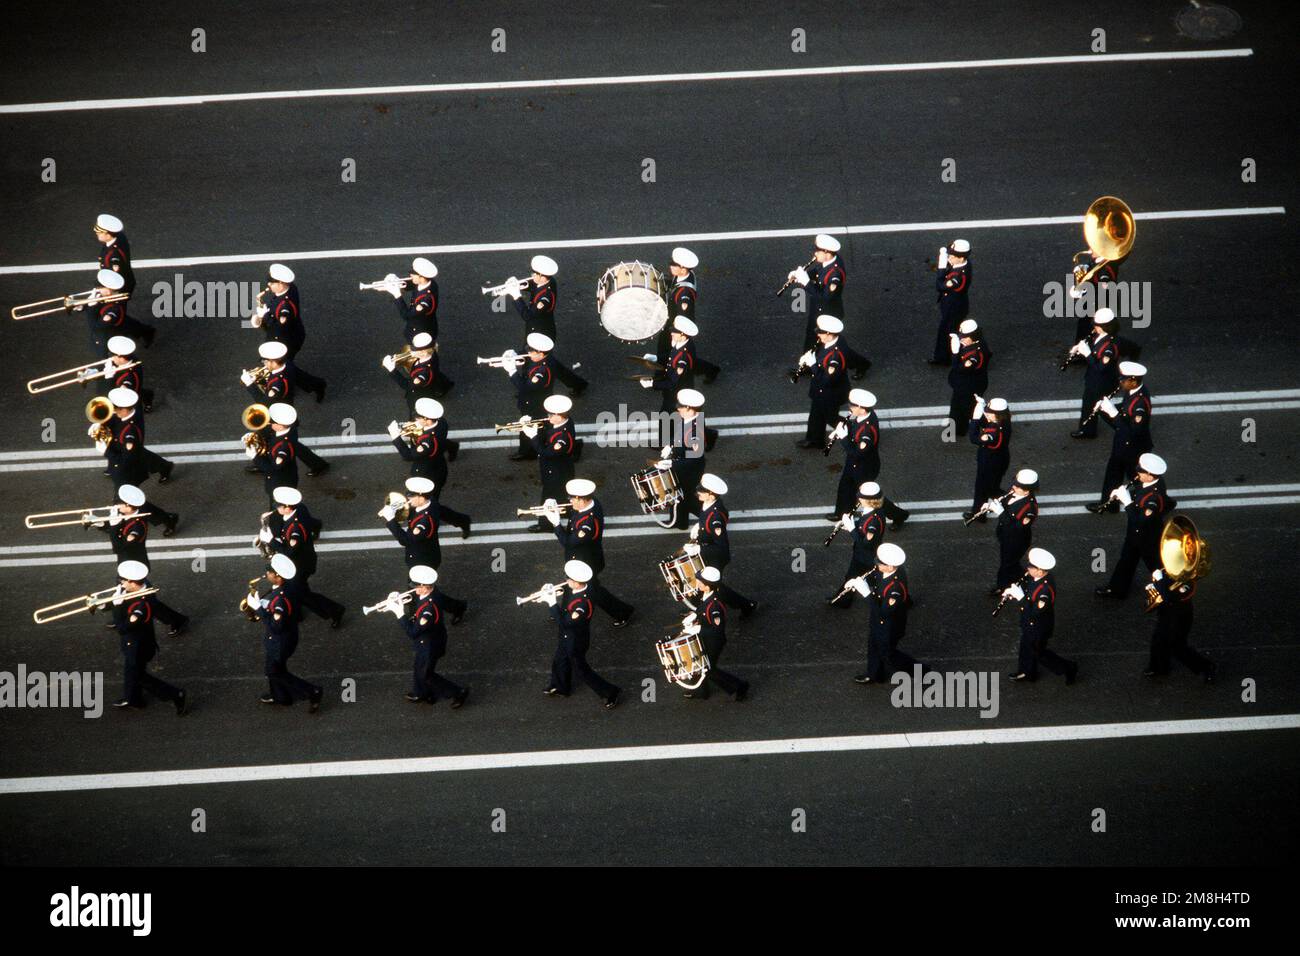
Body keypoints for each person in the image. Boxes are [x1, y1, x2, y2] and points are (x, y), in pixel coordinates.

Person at [542, 478, 635, 626]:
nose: (570, 501)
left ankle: (622, 612)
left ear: (580, 499)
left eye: (571, 498)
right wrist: (555, 506)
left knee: (593, 591)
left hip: (585, 562)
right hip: (583, 558)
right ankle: (565, 611)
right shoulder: (590, 503)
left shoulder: (588, 523)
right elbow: (572, 511)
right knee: (571, 583)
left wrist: (556, 523)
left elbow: (568, 543)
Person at [378, 565, 469, 707]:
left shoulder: (428, 611)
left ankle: (458, 692)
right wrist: (398, 599)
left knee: (426, 674)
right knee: (419, 667)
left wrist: (398, 612)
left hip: (428, 645)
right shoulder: (432, 592)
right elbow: (416, 603)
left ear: (426, 587)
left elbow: (413, 632)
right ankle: (422, 692)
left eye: (416, 586)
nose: (413, 589)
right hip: (431, 640)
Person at [538, 560, 620, 709]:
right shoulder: (575, 589)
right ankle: (560, 686)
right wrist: (552, 592)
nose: (566, 580)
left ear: (577, 582)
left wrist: (551, 602)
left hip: (575, 640)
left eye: (569, 579)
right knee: (560, 659)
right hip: (566, 636)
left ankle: (610, 692)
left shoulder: (583, 604)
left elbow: (565, 622)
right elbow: (566, 599)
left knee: (581, 670)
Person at [246, 553, 323, 711]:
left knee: (274, 671)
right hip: (283, 637)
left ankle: (312, 691)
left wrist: (259, 609)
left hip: (280, 641)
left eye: (270, 573)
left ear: (278, 577)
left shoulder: (280, 599)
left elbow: (276, 626)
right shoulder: (285, 588)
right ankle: (281, 697)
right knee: (274, 668)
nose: (267, 574)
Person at [109, 560, 188, 714]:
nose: (121, 582)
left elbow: (122, 627)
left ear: (132, 583)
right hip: (135, 643)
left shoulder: (141, 606)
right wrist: (106, 604)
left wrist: (116, 607)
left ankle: (175, 694)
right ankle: (133, 698)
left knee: (138, 675)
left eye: (124, 580)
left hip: (139, 646)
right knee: (131, 670)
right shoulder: (138, 588)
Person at [1095, 453, 1175, 600]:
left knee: (1157, 566)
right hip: (1135, 534)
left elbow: (1139, 521)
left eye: (1141, 471)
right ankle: (1116, 590)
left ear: (1150, 476)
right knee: (1126, 560)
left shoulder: (1154, 498)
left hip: (1147, 537)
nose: (1137, 473)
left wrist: (1127, 502)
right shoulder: (1151, 482)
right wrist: (1123, 495)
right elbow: (1140, 495)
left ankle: (1170, 592)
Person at [1002, 548, 1077, 684]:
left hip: (1038, 626)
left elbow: (1035, 611)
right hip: (1029, 623)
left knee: (1039, 653)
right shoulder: (1035, 577)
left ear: (1040, 571)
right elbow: (1028, 591)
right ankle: (1027, 672)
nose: (1028, 567)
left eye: (1031, 566)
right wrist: (1013, 592)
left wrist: (1020, 597)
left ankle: (1068, 667)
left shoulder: (1045, 591)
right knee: (1026, 646)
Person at [1087, 361, 1153, 513]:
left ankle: (1157, 504)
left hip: (1134, 448)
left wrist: (1113, 414)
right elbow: (1124, 415)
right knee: (1113, 475)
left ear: (1133, 381)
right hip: (1123, 444)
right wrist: (1105, 410)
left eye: (1124, 380)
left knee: (1138, 479)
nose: (1120, 382)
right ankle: (1108, 505)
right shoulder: (1132, 391)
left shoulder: (1140, 404)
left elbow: (1133, 431)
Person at [851, 543, 921, 684]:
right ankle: (875, 674)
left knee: (888, 655)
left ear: (890, 567)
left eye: (880, 563)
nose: (877, 564)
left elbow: (884, 613)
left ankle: (923, 673)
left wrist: (866, 592)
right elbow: (876, 579)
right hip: (878, 621)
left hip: (889, 626)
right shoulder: (885, 570)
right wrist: (860, 581)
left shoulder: (895, 589)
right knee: (873, 646)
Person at [681, 567, 749, 701]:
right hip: (707, 638)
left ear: (707, 586)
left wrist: (698, 629)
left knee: (708, 669)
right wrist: (694, 616)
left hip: (714, 641)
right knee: (702, 664)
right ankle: (701, 690)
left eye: (700, 581)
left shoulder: (714, 607)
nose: (697, 583)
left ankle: (739, 686)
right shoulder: (709, 596)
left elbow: (716, 630)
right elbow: (702, 611)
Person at [1145, 569, 1214, 682]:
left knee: (1177, 646)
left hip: (1179, 617)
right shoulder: (1173, 571)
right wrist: (1155, 585)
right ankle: (1158, 667)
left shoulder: (1188, 583)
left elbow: (1169, 598)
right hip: (1167, 613)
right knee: (1158, 639)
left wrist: (1159, 582)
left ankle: (1206, 667)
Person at [787, 234, 846, 351]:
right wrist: (799, 275)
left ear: (827, 253)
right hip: (818, 310)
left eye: (818, 251)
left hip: (828, 313)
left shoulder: (836, 275)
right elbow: (818, 271)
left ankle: (810, 367)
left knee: (819, 344)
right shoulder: (830, 260)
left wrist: (806, 282)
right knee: (811, 338)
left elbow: (824, 298)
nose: (815, 254)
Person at [1068, 307, 1120, 439]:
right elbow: (1095, 349)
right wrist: (1080, 350)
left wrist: (1087, 354)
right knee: (1088, 405)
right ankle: (1087, 430)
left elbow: (1101, 368)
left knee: (1103, 410)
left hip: (1101, 383)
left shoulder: (1109, 346)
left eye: (1097, 325)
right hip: (1094, 380)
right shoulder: (1100, 336)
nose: (1094, 327)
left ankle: (1125, 430)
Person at [963, 396, 1010, 521]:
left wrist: (974, 419)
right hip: (1000, 458)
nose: (986, 413)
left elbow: (974, 438)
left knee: (986, 489)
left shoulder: (993, 433)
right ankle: (979, 513)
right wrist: (982, 407)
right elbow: (988, 423)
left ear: (996, 415)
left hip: (990, 463)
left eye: (989, 412)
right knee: (987, 488)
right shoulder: (1003, 421)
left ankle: (1012, 502)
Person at [928, 239, 971, 365]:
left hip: (953, 307)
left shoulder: (958, 276)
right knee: (951, 330)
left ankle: (946, 358)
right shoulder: (963, 265)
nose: (949, 258)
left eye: (952, 256)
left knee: (948, 332)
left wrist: (941, 268)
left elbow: (940, 285)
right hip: (956, 304)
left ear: (961, 258)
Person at [947, 318, 991, 427]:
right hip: (967, 384)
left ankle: (990, 425)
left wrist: (955, 353)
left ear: (972, 337)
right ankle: (959, 428)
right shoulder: (975, 343)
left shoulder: (975, 356)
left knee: (965, 409)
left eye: (964, 337)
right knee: (960, 407)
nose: (961, 340)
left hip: (969, 386)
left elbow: (958, 368)